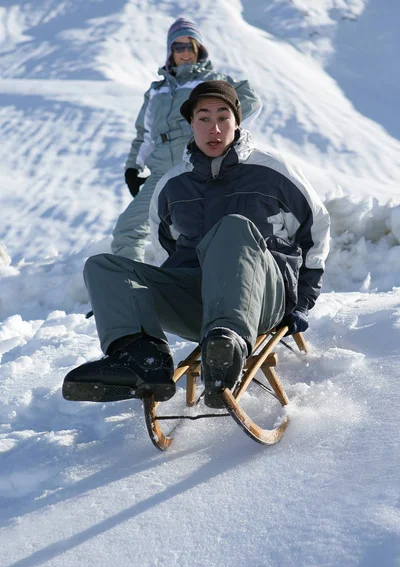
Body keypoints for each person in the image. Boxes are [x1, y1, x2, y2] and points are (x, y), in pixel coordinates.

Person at [63, 81, 330, 409]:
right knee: (103, 266)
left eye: (223, 117)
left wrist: (303, 300)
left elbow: (315, 228)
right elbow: (165, 254)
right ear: (191, 124)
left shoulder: (273, 171)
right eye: (203, 118)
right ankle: (142, 359)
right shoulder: (172, 184)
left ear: (237, 121)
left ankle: (227, 347)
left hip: (261, 298)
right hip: (198, 302)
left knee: (232, 228)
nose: (213, 128)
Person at [112, 17, 261, 263]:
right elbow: (145, 134)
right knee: (127, 229)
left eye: (189, 46)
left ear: (198, 50)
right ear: (170, 52)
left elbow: (250, 100)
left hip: (196, 166)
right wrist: (132, 167)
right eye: (177, 47)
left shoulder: (209, 80)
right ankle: (131, 290)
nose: (184, 53)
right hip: (160, 172)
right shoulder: (156, 90)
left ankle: (215, 285)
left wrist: (213, 130)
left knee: (201, 232)